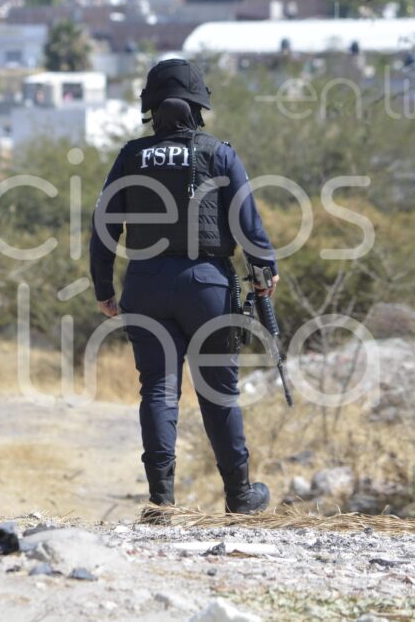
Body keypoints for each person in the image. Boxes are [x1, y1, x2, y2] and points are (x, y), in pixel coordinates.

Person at [89, 59, 278, 521]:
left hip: (146, 282)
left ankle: (160, 500)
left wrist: (103, 286)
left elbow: (104, 227)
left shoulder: (131, 155)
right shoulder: (219, 154)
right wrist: (264, 268)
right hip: (208, 286)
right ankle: (239, 496)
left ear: (150, 108)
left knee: (157, 388)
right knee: (218, 392)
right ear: (198, 107)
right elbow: (248, 223)